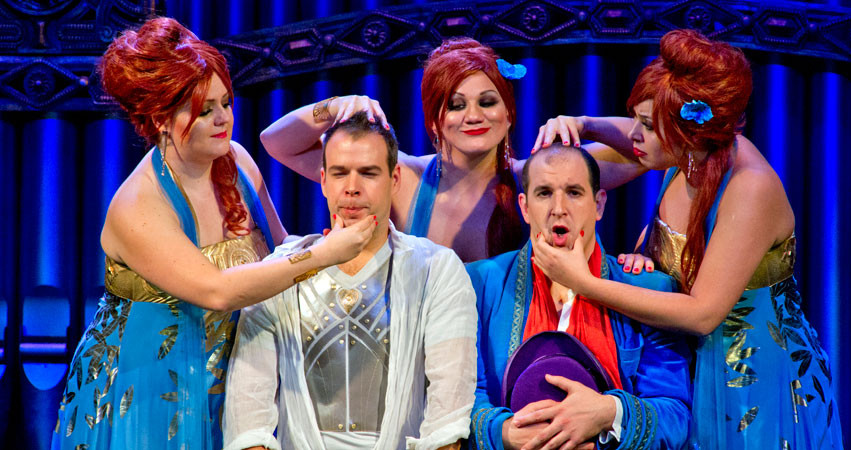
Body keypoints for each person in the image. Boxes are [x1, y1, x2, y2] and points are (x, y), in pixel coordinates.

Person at [51, 18, 375, 450]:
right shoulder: (139, 205)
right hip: (150, 389)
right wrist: (324, 254)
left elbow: (279, 250)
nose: (223, 119)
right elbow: (218, 292)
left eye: (225, 102)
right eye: (204, 110)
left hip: (235, 373)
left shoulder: (235, 161)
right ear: (161, 118)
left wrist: (331, 109)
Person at [533, 29, 843, 448]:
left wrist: (585, 283)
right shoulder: (687, 156)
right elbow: (621, 146)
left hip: (751, 381)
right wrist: (583, 124)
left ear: (689, 132)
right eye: (637, 119)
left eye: (646, 126)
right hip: (689, 364)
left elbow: (702, 314)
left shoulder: (749, 188)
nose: (634, 135)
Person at [222, 112, 478, 450]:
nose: (352, 187)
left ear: (395, 179)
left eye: (368, 173)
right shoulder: (277, 273)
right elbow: (247, 417)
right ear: (323, 180)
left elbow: (447, 418)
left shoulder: (437, 270)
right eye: (340, 173)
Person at [467, 143, 691, 450]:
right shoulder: (479, 284)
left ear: (599, 205)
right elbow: (459, 397)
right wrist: (506, 433)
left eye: (574, 192)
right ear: (525, 207)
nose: (559, 208)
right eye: (544, 193)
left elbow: (676, 416)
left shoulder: (648, 289)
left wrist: (608, 413)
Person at [261, 38, 547, 263]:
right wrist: (334, 107)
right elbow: (276, 142)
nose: (473, 116)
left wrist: (574, 129)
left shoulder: (534, 179)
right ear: (433, 121)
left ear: (509, 113)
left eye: (487, 102)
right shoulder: (404, 177)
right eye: (456, 105)